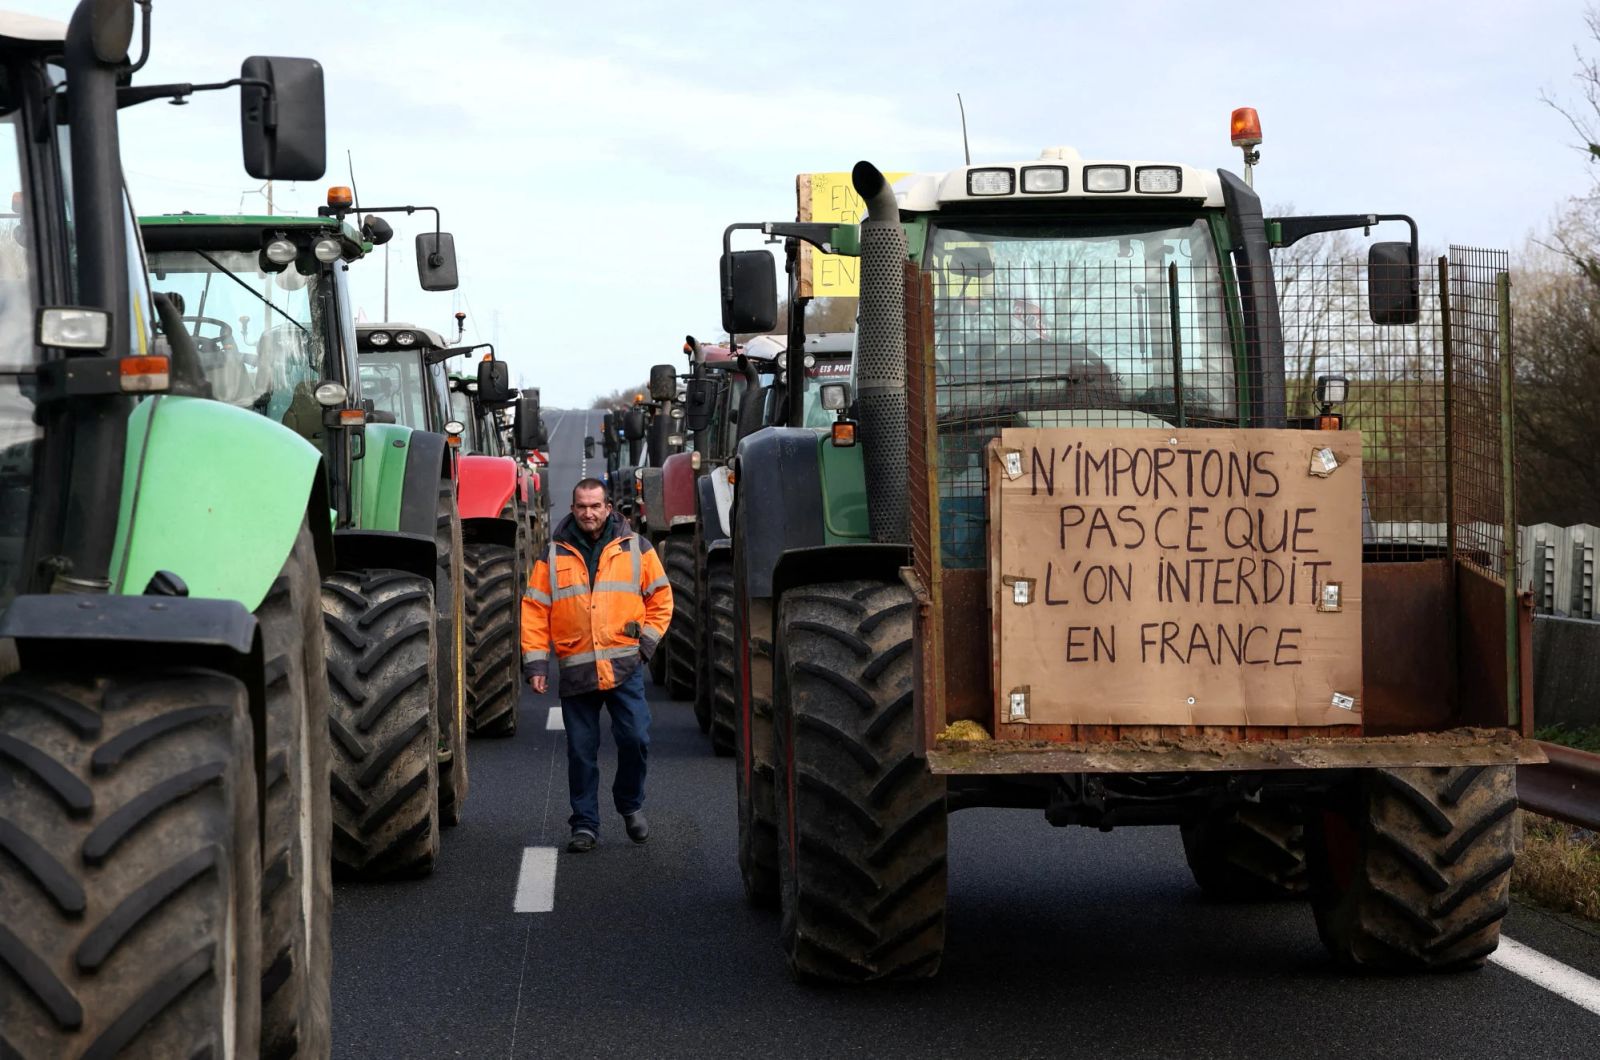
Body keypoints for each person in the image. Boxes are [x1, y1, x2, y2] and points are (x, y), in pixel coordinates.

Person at [522, 478, 673, 852]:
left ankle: (629, 803)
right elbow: (535, 610)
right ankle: (585, 825)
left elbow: (661, 598)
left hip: (625, 666)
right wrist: (537, 665)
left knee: (635, 739)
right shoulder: (554, 554)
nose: (588, 513)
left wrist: (645, 647)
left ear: (608, 508)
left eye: (595, 506)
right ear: (572, 509)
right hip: (576, 669)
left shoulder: (636, 548)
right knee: (580, 751)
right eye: (581, 506)